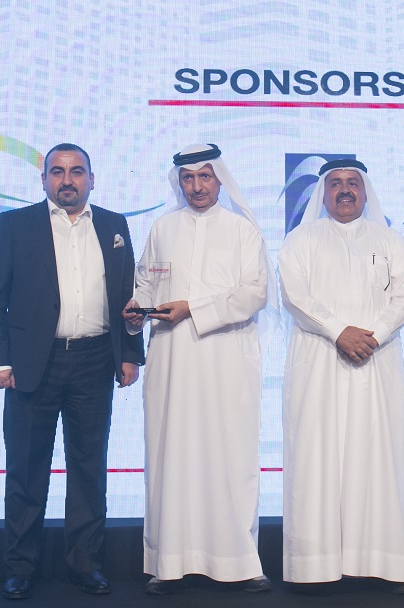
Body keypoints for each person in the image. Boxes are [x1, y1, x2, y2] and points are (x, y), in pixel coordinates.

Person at [0, 143, 143, 600]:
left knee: (88, 469)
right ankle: (20, 566)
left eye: (76, 171)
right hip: (33, 364)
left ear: (91, 178)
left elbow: (128, 294)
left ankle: (86, 564)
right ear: (44, 179)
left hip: (94, 360)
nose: (66, 180)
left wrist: (129, 353)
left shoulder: (114, 224)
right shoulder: (15, 224)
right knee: (27, 469)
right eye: (57, 171)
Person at [122, 143, 271, 596]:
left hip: (226, 360)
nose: (197, 186)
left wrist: (194, 308)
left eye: (205, 177)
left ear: (219, 179)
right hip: (172, 361)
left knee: (229, 457)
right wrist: (135, 310)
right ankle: (169, 563)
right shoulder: (163, 228)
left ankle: (239, 562)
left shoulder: (242, 230)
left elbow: (255, 294)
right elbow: (145, 284)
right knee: (171, 457)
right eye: (188, 178)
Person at [278, 159, 404, 593]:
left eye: (352, 183)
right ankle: (313, 567)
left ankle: (381, 564)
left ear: (365, 190)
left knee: (376, 461)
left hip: (376, 364)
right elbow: (295, 296)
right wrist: (339, 331)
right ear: (323, 193)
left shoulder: (390, 240)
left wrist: (371, 335)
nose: (344, 190)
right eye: (336, 183)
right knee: (315, 461)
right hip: (318, 364)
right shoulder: (300, 240)